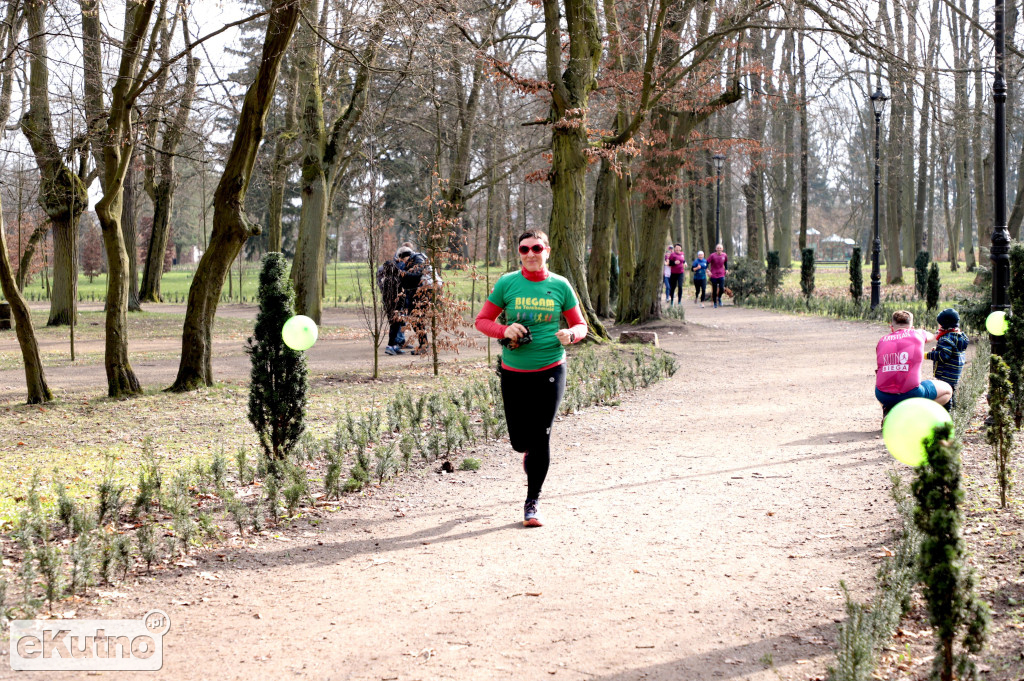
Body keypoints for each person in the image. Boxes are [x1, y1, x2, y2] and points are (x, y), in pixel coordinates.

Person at [474, 229, 588, 527]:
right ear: (519, 254)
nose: (531, 254)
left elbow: (581, 325)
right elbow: (482, 320)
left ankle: (532, 501)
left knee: (542, 435)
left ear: (547, 250)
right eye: (524, 249)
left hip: (551, 367)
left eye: (536, 248)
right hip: (514, 372)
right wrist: (504, 330)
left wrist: (571, 334)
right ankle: (528, 453)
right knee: (519, 441)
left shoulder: (560, 285)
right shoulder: (507, 283)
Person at [876, 310, 952, 424]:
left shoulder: (881, 340)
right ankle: (911, 415)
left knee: (883, 378)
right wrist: (939, 331)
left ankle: (888, 410)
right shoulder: (917, 334)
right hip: (912, 393)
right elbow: (933, 336)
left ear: (891, 327)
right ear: (912, 327)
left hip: (883, 395)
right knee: (947, 390)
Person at [926, 308, 969, 411]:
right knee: (952, 391)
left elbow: (943, 356)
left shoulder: (945, 339)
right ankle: (955, 410)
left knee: (946, 396)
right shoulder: (959, 336)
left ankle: (947, 414)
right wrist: (938, 349)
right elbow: (953, 351)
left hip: (946, 373)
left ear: (943, 325)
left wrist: (928, 355)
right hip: (954, 373)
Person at [396, 246, 432, 355]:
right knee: (415, 319)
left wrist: (402, 275)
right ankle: (423, 344)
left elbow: (417, 274)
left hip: (422, 294)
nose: (402, 262)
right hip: (416, 294)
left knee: (417, 319)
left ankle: (424, 345)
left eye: (402, 259)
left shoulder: (418, 258)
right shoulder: (412, 261)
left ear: (406, 255)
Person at [376, 251, 406, 355]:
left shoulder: (386, 281)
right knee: (395, 326)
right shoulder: (396, 281)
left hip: (389, 307)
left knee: (394, 326)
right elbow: (400, 295)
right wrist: (400, 308)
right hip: (396, 307)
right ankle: (390, 345)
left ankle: (393, 345)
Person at [706, 244, 729, 308]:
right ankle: (715, 303)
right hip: (713, 274)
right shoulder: (712, 255)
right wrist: (708, 270)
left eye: (720, 248)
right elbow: (706, 263)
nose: (719, 249)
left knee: (721, 288)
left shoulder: (724, 255)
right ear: (716, 249)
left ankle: (719, 298)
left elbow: (725, 263)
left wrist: (726, 269)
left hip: (721, 274)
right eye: (718, 248)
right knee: (715, 289)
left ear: (722, 249)